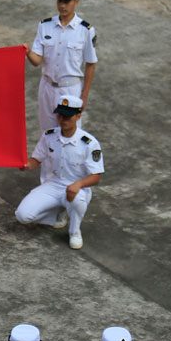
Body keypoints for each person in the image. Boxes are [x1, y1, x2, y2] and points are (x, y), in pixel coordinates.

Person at [14, 96, 103, 249]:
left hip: (75, 188)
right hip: (52, 185)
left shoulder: (89, 143)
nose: (63, 119)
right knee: (22, 215)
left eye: (68, 116)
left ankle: (74, 231)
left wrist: (78, 184)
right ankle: (58, 212)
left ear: (78, 116)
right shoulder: (49, 135)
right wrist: (26, 165)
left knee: (77, 201)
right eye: (60, 115)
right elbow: (36, 159)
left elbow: (96, 177)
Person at [26, 0, 97, 134]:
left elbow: (91, 63)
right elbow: (37, 61)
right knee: (47, 134)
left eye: (67, 1)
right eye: (60, 1)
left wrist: (84, 95)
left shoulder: (85, 30)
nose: (62, 5)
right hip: (47, 88)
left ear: (76, 2)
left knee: (70, 134)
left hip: (70, 89)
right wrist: (28, 52)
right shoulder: (45, 26)